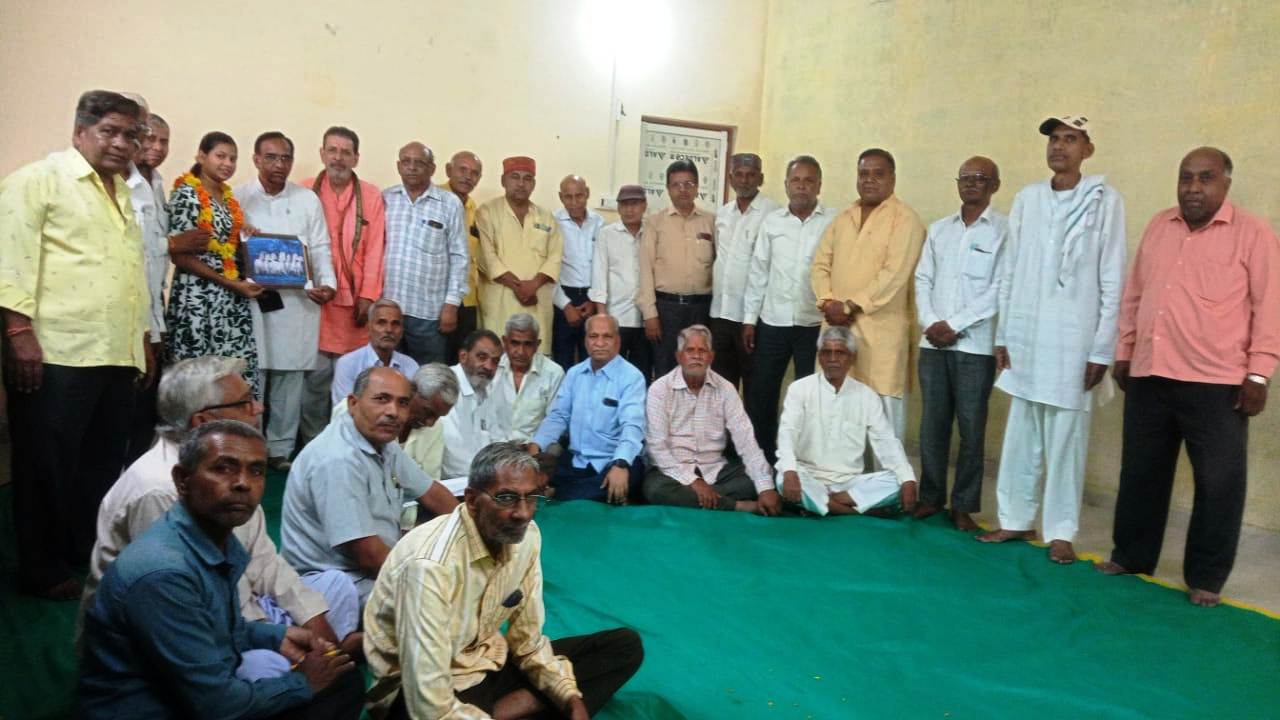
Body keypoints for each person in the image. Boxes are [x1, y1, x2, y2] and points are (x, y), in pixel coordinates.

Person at [79, 420, 364, 720]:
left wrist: (276, 636)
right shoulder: (164, 573)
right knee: (334, 690)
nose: (243, 483)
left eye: (256, 471)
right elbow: (217, 706)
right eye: (224, 468)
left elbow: (216, 629)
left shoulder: (212, 542)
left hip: (189, 697)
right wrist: (303, 682)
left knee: (340, 681)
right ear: (182, 480)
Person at [83, 357, 361, 661]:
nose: (259, 408)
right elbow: (196, 601)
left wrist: (314, 624)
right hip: (178, 633)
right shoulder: (160, 489)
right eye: (244, 403)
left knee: (336, 586)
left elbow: (265, 562)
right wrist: (276, 637)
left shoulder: (232, 469)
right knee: (264, 663)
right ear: (203, 422)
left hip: (243, 607)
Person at [1097, 147, 1279, 607]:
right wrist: (1125, 351)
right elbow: (1135, 295)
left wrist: (1259, 375)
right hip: (1151, 373)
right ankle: (1131, 557)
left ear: (1226, 184)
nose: (1193, 187)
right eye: (1186, 178)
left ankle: (1206, 578)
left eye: (1205, 178)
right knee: (1141, 474)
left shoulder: (1253, 234)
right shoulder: (1160, 225)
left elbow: (1270, 308)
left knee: (1219, 484)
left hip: (1217, 383)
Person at [364, 442, 644, 719]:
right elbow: (429, 706)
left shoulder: (527, 536)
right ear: (472, 501)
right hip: (419, 688)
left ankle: (516, 705)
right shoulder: (430, 566)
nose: (523, 513)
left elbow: (528, 642)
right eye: (506, 498)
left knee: (624, 647)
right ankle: (518, 707)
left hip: (484, 663)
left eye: (532, 497)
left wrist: (569, 698)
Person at [1, 90, 151, 599]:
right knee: (46, 467)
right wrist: (18, 334)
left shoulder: (122, 191)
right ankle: (40, 569)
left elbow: (129, 273)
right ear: (80, 131)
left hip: (115, 353)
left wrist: (141, 341)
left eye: (130, 135)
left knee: (99, 467)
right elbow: (9, 261)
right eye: (109, 131)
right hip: (57, 353)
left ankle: (81, 550)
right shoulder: (37, 181)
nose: (121, 143)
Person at [978, 116, 1126, 564]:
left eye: (1070, 139)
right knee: (1021, 435)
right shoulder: (1028, 198)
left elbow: (1112, 277)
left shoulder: (1105, 200)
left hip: (1073, 343)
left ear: (1087, 149)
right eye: (1054, 139)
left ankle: (1061, 531)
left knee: (1066, 440)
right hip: (1027, 336)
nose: (1059, 147)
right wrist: (1003, 335)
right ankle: (1015, 519)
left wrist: (1101, 349)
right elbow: (1010, 270)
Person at [283, 366, 459, 605]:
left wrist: (469, 533)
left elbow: (433, 494)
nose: (393, 412)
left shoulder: (383, 443)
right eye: (382, 399)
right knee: (440, 601)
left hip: (371, 570)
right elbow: (368, 555)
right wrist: (425, 582)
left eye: (403, 403)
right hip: (336, 583)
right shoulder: (338, 458)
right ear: (353, 403)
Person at [912, 156, 1009, 531]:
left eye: (980, 177)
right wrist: (931, 322)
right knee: (932, 425)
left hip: (974, 347)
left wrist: (954, 325)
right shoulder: (939, 230)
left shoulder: (1004, 231)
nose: (971, 183)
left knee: (971, 429)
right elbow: (922, 279)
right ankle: (931, 497)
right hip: (933, 344)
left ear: (995, 185)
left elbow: (1001, 288)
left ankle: (964, 505)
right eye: (965, 177)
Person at [811, 148, 927, 441]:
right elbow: (820, 264)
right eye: (864, 174)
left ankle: (887, 473)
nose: (869, 180)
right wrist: (827, 301)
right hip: (837, 329)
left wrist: (850, 306)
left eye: (878, 174)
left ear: (893, 179)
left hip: (881, 334)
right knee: (837, 412)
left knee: (882, 422)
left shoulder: (906, 220)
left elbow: (894, 274)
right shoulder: (843, 218)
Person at [238, 131, 337, 470]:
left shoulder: (307, 199)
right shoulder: (238, 198)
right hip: (254, 301)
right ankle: (248, 446)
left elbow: (320, 246)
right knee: (253, 373)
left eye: (285, 158)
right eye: (271, 157)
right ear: (256, 159)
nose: (279, 165)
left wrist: (327, 283)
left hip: (297, 302)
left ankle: (280, 449)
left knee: (290, 376)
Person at [742, 155, 834, 462]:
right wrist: (749, 320)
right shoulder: (772, 222)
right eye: (796, 180)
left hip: (814, 324)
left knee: (812, 396)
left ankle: (804, 461)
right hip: (773, 322)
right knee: (763, 394)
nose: (802, 186)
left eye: (809, 180)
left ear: (819, 185)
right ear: (786, 185)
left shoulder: (833, 222)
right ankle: (763, 460)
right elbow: (758, 273)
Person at [775, 326, 918, 517]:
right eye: (827, 352)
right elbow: (787, 433)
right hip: (808, 476)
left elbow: (886, 441)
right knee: (783, 479)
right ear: (819, 357)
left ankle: (824, 505)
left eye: (840, 353)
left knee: (898, 482)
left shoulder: (867, 396)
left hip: (849, 483)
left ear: (852, 358)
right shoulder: (799, 389)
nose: (833, 359)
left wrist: (908, 480)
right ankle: (855, 512)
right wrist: (790, 472)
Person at [643, 325, 780, 515]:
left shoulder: (726, 389)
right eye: (690, 350)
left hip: (716, 469)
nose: (696, 356)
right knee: (655, 489)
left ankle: (699, 499)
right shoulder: (660, 389)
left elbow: (746, 440)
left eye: (702, 351)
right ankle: (736, 505)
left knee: (769, 476)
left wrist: (765, 488)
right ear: (679, 356)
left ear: (711, 357)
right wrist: (693, 481)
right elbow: (657, 447)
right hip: (674, 471)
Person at [166, 131, 263, 396]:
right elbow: (180, 255)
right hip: (198, 301)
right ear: (201, 156)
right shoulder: (187, 193)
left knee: (231, 377)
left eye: (233, 158)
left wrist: (246, 237)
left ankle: (230, 422)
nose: (228, 164)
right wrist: (230, 284)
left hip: (230, 302)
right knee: (198, 382)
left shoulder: (227, 197)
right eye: (220, 156)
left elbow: (225, 245)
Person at [529, 315, 646, 503]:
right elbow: (559, 416)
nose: (599, 343)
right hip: (576, 460)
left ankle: (558, 494)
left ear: (617, 341)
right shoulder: (574, 374)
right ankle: (574, 494)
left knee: (629, 475)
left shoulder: (632, 377)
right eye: (593, 336)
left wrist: (620, 463)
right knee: (534, 471)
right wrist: (536, 445)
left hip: (612, 461)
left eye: (606, 337)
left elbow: (632, 427)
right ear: (585, 340)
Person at [303, 126, 387, 373]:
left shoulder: (371, 195)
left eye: (345, 152)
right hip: (315, 297)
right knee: (315, 377)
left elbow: (375, 250)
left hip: (355, 301)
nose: (338, 158)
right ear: (322, 154)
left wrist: (368, 296)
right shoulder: (304, 191)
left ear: (356, 158)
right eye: (332, 150)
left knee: (353, 374)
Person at [382, 141, 468, 365]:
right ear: (398, 166)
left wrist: (451, 304)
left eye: (419, 162)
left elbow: (460, 257)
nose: (411, 167)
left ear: (432, 168)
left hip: (429, 313)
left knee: (428, 377)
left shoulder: (449, 204)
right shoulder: (385, 199)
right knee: (389, 373)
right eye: (406, 162)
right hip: (388, 309)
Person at [123, 111, 174, 463]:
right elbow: (139, 250)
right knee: (126, 403)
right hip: (129, 314)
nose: (156, 147)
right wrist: (175, 244)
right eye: (150, 138)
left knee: (146, 405)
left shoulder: (157, 184)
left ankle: (138, 471)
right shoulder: (122, 183)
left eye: (164, 141)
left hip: (154, 309)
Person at [638, 159, 716, 378]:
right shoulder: (655, 222)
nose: (683, 189)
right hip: (666, 310)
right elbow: (645, 270)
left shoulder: (711, 222)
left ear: (697, 187)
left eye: (689, 184)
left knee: (698, 370)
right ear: (668, 188)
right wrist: (650, 314)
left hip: (701, 308)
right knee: (665, 370)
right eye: (676, 184)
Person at [476, 156, 563, 354]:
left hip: (537, 301)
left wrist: (533, 286)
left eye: (527, 178)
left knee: (536, 359)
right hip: (500, 302)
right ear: (503, 180)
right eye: (515, 177)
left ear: (534, 184)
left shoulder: (546, 217)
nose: (521, 183)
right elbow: (487, 257)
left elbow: (555, 256)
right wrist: (520, 288)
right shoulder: (487, 211)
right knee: (495, 356)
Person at [712, 153, 779, 390]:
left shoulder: (773, 214)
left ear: (761, 178)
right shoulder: (722, 214)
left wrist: (751, 319)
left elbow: (769, 267)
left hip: (752, 319)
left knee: (755, 386)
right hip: (720, 314)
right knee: (722, 386)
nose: (744, 180)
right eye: (739, 175)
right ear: (730, 179)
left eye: (751, 175)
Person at [590, 184, 653, 380]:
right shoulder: (606, 234)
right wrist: (602, 317)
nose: (629, 209)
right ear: (618, 208)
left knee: (641, 375)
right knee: (610, 374)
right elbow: (599, 276)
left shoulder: (653, 232)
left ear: (644, 206)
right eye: (624, 204)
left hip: (647, 320)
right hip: (616, 318)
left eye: (635, 204)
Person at [552, 175, 605, 369]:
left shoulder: (599, 223)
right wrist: (565, 306)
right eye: (568, 197)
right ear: (561, 197)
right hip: (563, 298)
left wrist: (594, 301)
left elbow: (603, 266)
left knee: (592, 359)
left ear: (587, 193)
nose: (574, 202)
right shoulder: (552, 223)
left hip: (592, 298)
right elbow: (549, 269)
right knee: (562, 362)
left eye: (579, 196)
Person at [439, 329, 503, 480]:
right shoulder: (446, 385)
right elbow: (453, 457)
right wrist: (490, 478)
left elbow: (497, 439)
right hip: (456, 481)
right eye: (482, 357)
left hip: (481, 478)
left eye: (495, 361)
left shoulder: (483, 389)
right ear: (463, 356)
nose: (489, 367)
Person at [492, 313, 565, 444]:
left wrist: (537, 445)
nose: (520, 351)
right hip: (493, 446)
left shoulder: (553, 373)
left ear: (537, 345)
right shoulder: (492, 368)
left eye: (528, 344)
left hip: (533, 447)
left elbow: (555, 420)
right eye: (515, 343)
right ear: (505, 342)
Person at [330, 298, 419, 404]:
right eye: (381, 323)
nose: (389, 330)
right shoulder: (347, 364)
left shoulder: (410, 365)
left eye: (395, 324)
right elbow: (343, 410)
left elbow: (414, 408)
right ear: (368, 327)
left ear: (402, 331)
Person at [441, 150, 485, 362]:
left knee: (461, 362)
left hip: (467, 300)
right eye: (463, 170)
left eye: (474, 173)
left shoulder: (473, 208)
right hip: (439, 299)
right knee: (435, 361)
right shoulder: (434, 198)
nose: (468, 177)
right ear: (449, 170)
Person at [396, 363, 461, 492]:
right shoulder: (381, 418)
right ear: (412, 391)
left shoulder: (436, 428)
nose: (430, 423)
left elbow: (431, 484)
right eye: (428, 412)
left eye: (438, 416)